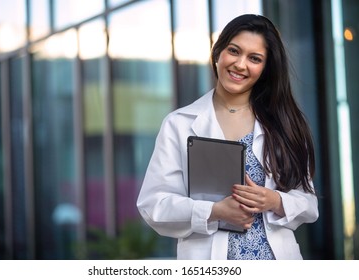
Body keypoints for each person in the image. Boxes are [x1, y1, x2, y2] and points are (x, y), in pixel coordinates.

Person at [136, 14, 318, 260]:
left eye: (254, 59)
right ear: (218, 52)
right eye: (234, 51)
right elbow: (153, 205)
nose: (240, 64)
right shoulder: (179, 124)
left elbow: (309, 204)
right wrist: (213, 211)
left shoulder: (285, 124)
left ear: (265, 69)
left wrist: (275, 200)